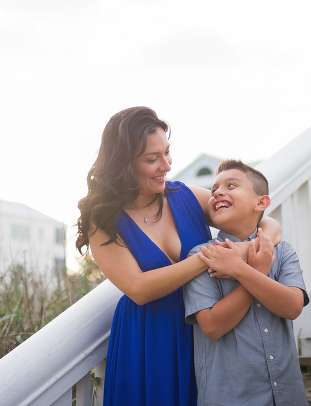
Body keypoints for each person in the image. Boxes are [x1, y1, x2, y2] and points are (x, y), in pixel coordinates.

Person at [76, 108, 281, 406]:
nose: (166, 166)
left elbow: (263, 220)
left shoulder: (184, 196)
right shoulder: (103, 220)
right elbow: (139, 289)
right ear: (123, 165)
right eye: (152, 159)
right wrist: (209, 257)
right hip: (149, 339)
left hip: (203, 326)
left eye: (167, 153)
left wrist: (250, 247)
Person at [184, 160, 309, 406]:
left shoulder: (282, 252)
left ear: (261, 202)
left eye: (231, 185)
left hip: (287, 395)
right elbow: (212, 326)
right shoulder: (203, 256)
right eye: (214, 190)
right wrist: (258, 272)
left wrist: (243, 271)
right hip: (230, 397)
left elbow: (293, 307)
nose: (218, 192)